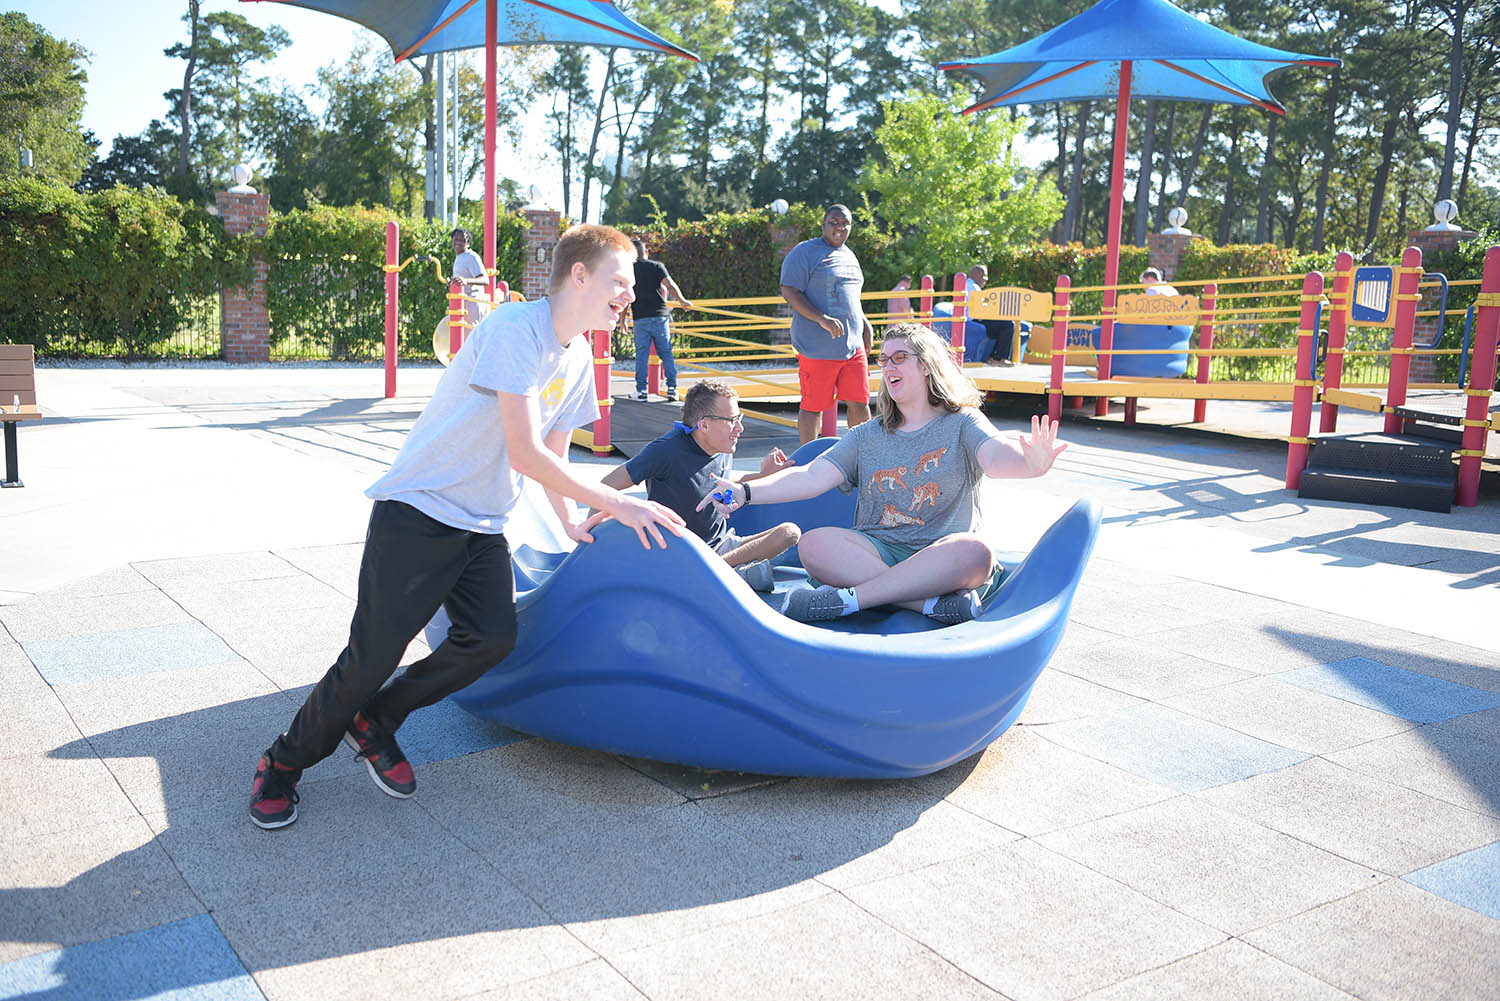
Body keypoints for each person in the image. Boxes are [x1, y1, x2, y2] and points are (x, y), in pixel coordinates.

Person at [248, 223, 686, 831]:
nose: (629, 296)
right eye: (619, 281)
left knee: (489, 639)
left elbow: (556, 454)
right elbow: (525, 452)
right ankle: (281, 764)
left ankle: (375, 721)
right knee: (370, 659)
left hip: (482, 524)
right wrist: (620, 504)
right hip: (418, 511)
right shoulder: (513, 329)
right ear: (578, 275)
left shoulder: (580, 353)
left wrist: (572, 521)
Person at [699, 321, 1067, 626]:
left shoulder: (963, 422)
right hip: (876, 550)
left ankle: (848, 600)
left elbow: (997, 455)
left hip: (940, 554)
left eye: (900, 358)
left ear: (926, 365)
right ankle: (923, 604)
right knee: (814, 544)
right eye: (883, 359)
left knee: (975, 552)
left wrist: (1029, 464)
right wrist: (745, 492)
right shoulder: (866, 435)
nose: (888, 367)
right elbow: (811, 476)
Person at [601, 379, 799, 592]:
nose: (740, 428)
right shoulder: (666, 451)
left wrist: (762, 476)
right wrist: (594, 546)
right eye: (732, 420)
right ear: (704, 425)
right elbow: (606, 487)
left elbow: (723, 488)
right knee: (774, 549)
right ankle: (724, 575)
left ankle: (721, 573)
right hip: (682, 553)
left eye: (739, 418)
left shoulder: (722, 446)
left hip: (720, 548)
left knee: (790, 532)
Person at [779, 204, 874, 446]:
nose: (839, 227)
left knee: (860, 403)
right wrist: (821, 318)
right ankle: (806, 461)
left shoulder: (850, 255)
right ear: (823, 224)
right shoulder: (804, 252)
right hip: (817, 348)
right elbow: (789, 290)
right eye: (834, 222)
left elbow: (851, 297)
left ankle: (862, 454)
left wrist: (865, 324)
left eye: (845, 223)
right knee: (813, 406)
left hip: (852, 347)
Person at [630, 237, 694, 402]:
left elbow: (626, 297)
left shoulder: (629, 270)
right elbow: (671, 285)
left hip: (640, 318)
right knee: (666, 353)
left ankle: (641, 391)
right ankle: (672, 388)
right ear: (646, 252)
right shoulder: (657, 266)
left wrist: (623, 319)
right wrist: (682, 301)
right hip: (660, 316)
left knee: (642, 356)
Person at [451, 228, 489, 330]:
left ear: (468, 243)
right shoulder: (459, 257)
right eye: (456, 239)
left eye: (462, 240)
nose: (458, 242)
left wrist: (466, 281)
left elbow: (485, 279)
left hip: (473, 303)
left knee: (472, 336)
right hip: (463, 303)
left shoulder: (471, 257)